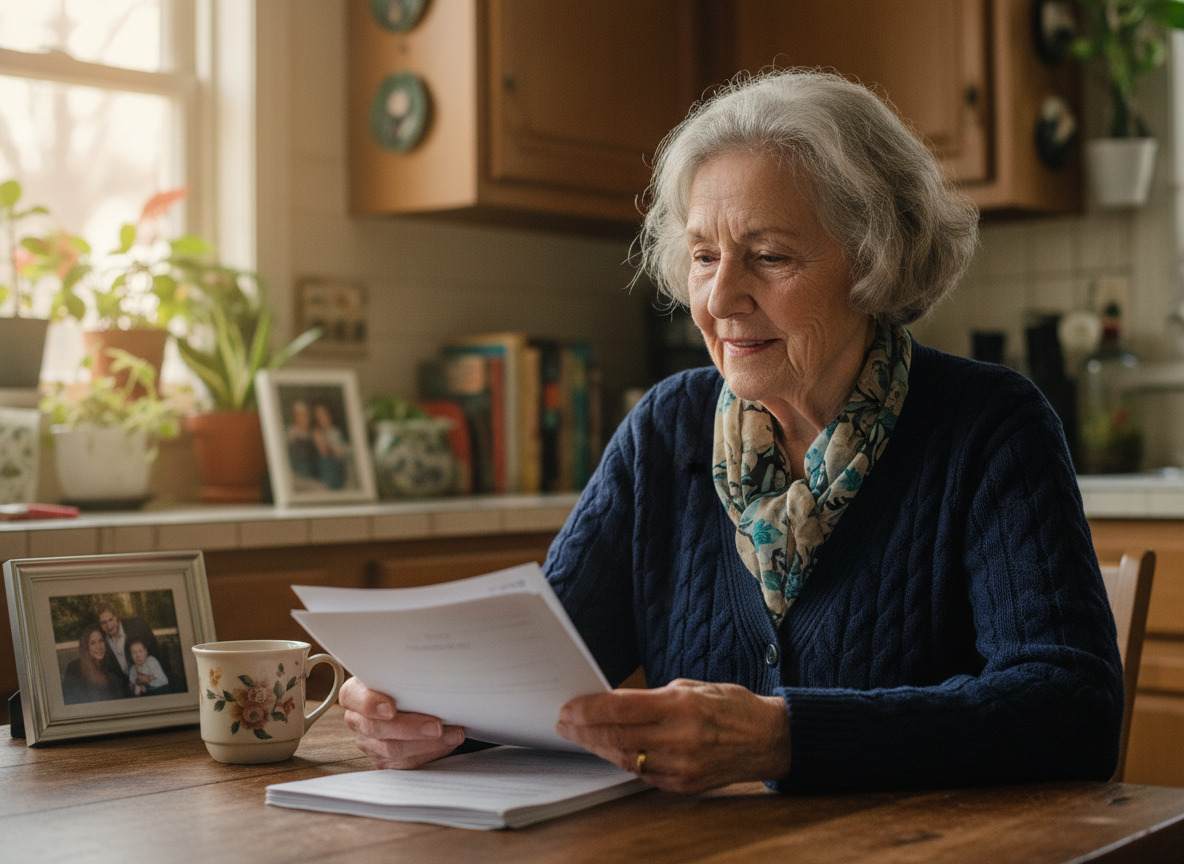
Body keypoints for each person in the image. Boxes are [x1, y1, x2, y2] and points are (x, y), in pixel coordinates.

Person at [339, 69, 1123, 794]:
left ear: (874, 261)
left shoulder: (989, 426)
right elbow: (539, 683)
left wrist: (785, 737)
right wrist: (426, 716)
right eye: (704, 256)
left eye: (770, 256)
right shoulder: (666, 428)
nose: (719, 299)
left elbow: (1071, 709)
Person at [96, 602, 166, 685]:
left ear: (116, 617)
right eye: (104, 623)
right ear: (101, 625)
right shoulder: (103, 642)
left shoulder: (137, 626)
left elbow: (156, 652)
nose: (109, 625)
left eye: (110, 620)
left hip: (151, 682)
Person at [62, 626, 128, 704]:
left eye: (101, 641)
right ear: (86, 646)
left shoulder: (110, 666)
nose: (99, 647)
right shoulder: (75, 668)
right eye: (93, 643)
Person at [312, 402, 350, 489]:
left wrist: (327, 444)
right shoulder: (316, 432)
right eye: (318, 416)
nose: (321, 418)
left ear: (329, 415)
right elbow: (322, 451)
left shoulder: (335, 432)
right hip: (323, 467)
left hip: (337, 466)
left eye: (323, 415)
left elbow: (339, 454)